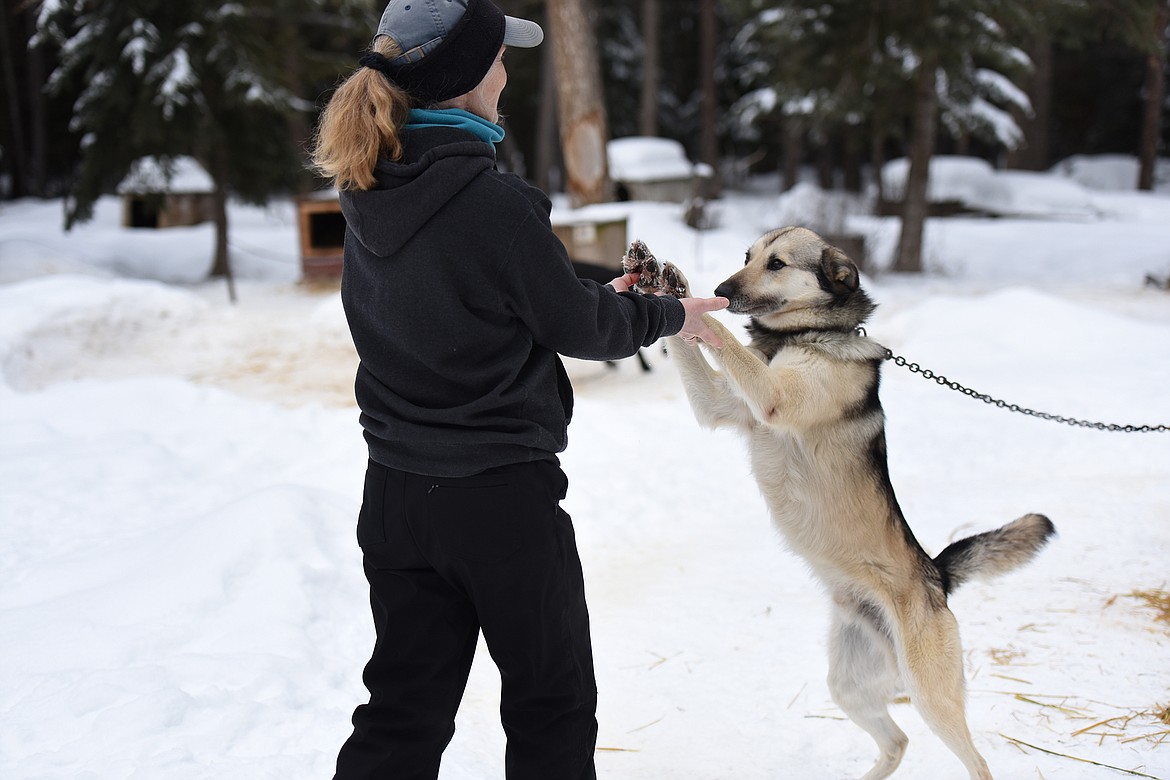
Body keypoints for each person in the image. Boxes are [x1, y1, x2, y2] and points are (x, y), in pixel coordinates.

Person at [312, 1, 728, 778]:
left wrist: (609, 295)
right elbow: (576, 325)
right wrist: (669, 314)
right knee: (551, 702)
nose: (507, 73)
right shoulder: (491, 202)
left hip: (397, 496)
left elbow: (480, 296)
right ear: (468, 76)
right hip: (498, 501)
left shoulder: (369, 187)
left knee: (402, 709)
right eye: (498, 58)